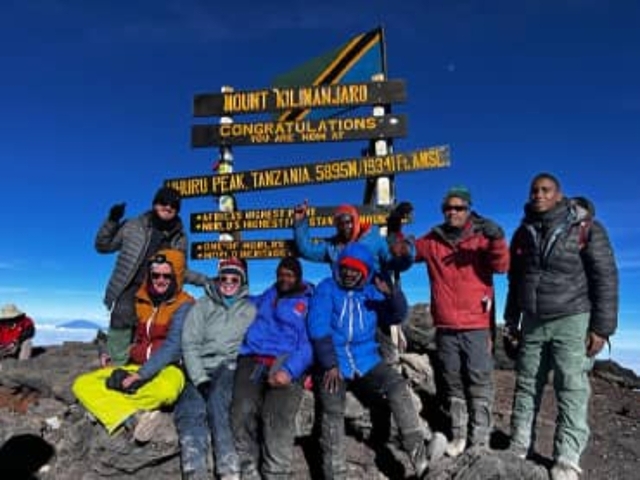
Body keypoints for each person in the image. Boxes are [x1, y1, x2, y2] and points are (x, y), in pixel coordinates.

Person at [503, 173, 618, 480]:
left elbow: (605, 278)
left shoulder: (586, 229)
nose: (539, 195)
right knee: (526, 385)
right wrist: (510, 320)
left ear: (559, 195)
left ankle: (567, 459)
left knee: (571, 388)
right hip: (532, 321)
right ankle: (518, 446)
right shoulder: (522, 234)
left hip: (573, 317)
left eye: (546, 190)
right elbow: (515, 282)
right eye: (534, 190)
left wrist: (602, 328)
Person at [307, 242, 445, 480]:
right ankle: (335, 473)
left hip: (366, 358)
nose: (349, 273)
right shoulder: (327, 288)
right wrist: (329, 363)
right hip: (333, 361)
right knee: (332, 411)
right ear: (339, 267)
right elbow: (317, 327)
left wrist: (393, 295)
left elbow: (396, 315)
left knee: (397, 386)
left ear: (365, 271)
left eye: (356, 269)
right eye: (345, 268)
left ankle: (419, 457)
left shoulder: (371, 291)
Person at [411, 185, 509, 456]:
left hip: (476, 324)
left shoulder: (482, 236)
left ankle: (479, 440)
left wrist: (498, 238)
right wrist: (396, 230)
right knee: (452, 381)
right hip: (445, 326)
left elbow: (502, 266)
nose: (452, 212)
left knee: (479, 381)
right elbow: (405, 254)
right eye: (448, 208)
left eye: (459, 207)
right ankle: (459, 435)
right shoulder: (432, 240)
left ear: (468, 209)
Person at [72, 249, 195, 441]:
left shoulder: (184, 305)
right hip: (135, 364)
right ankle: (133, 418)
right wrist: (113, 353)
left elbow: (173, 346)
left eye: (166, 275)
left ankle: (106, 408)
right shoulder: (141, 301)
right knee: (82, 384)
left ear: (176, 276)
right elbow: (127, 333)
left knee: (165, 392)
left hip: (169, 368)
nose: (160, 280)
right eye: (155, 275)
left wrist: (141, 375)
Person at [95, 186, 208, 367]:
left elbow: (180, 271)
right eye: (164, 202)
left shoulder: (179, 238)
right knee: (123, 314)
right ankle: (116, 364)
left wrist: (206, 281)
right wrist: (112, 220)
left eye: (174, 205)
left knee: (156, 327)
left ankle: (145, 365)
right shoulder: (133, 225)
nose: (168, 207)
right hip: (129, 286)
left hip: (160, 288)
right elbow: (103, 246)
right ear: (155, 204)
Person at [293, 201, 413, 364]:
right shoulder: (333, 246)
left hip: (374, 301)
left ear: (355, 220)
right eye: (340, 223)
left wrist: (406, 254)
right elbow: (307, 250)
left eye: (348, 221)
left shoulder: (374, 239)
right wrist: (300, 222)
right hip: (344, 302)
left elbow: (394, 262)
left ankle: (384, 371)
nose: (345, 226)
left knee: (380, 351)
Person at [231, 256, 314, 480]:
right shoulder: (268, 295)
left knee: (275, 417)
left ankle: (275, 473)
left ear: (298, 276)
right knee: (242, 409)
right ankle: (248, 469)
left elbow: (310, 343)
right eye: (280, 274)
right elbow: (244, 303)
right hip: (253, 356)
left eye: (289, 275)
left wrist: (291, 370)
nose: (284, 279)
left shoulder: (308, 303)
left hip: (286, 359)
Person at [180, 258, 257, 480]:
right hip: (199, 366)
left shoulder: (249, 309)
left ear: (241, 281)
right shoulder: (203, 305)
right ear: (218, 279)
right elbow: (190, 343)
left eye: (234, 279)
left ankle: (228, 466)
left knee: (218, 403)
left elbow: (258, 338)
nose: (228, 283)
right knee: (189, 408)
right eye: (224, 278)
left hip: (229, 365)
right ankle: (195, 469)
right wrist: (199, 378)